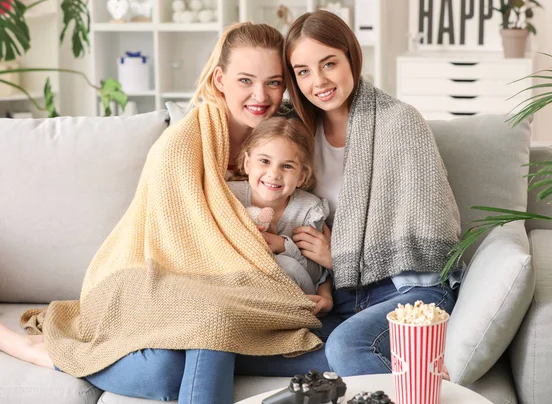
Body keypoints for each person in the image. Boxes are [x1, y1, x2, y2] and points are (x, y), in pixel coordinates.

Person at [0, 22, 330, 404]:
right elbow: (177, 239)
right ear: (221, 79)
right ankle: (39, 351)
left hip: (228, 290)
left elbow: (308, 231)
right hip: (152, 274)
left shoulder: (286, 139)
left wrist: (324, 277)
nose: (261, 95)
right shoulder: (185, 144)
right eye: (245, 80)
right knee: (188, 348)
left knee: (171, 370)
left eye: (273, 82)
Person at [236, 10, 464, 377]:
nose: (319, 81)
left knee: (345, 345)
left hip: (408, 290)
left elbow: (430, 236)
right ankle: (410, 367)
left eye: (329, 64)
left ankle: (411, 379)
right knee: (247, 348)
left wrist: (336, 256)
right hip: (341, 297)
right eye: (303, 71)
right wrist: (326, 287)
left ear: (352, 57)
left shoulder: (398, 122)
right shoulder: (295, 132)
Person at [227, 116, 329, 295]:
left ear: (301, 177)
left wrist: (284, 246)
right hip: (238, 284)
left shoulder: (308, 209)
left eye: (287, 166)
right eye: (265, 161)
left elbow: (313, 275)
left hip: (290, 292)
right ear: (248, 163)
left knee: (286, 265)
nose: (274, 174)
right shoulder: (230, 195)